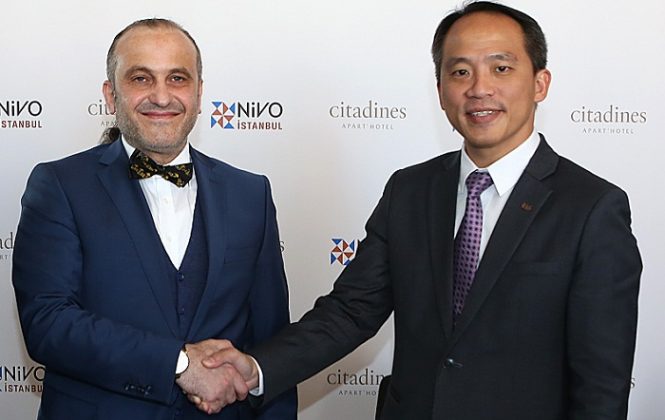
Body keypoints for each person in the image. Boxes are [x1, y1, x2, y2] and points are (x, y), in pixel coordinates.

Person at [195, 2, 642, 419]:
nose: (479, 88)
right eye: (460, 71)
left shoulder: (592, 208)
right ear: (441, 91)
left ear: (540, 83)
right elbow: (351, 311)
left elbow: (601, 383)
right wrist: (255, 368)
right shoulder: (410, 191)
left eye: (501, 68)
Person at [12, 18, 296, 419]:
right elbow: (48, 323)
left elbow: (272, 343)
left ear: (199, 93)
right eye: (141, 78)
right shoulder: (60, 185)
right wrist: (177, 364)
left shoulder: (251, 193)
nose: (161, 96)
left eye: (177, 78)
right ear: (111, 95)